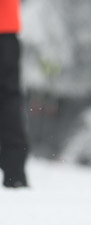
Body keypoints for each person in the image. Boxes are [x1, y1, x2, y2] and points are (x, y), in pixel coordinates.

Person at [0, 0, 29, 188]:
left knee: (8, 101)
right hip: (6, 32)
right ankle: (15, 172)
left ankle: (15, 171)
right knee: (8, 100)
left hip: (7, 31)